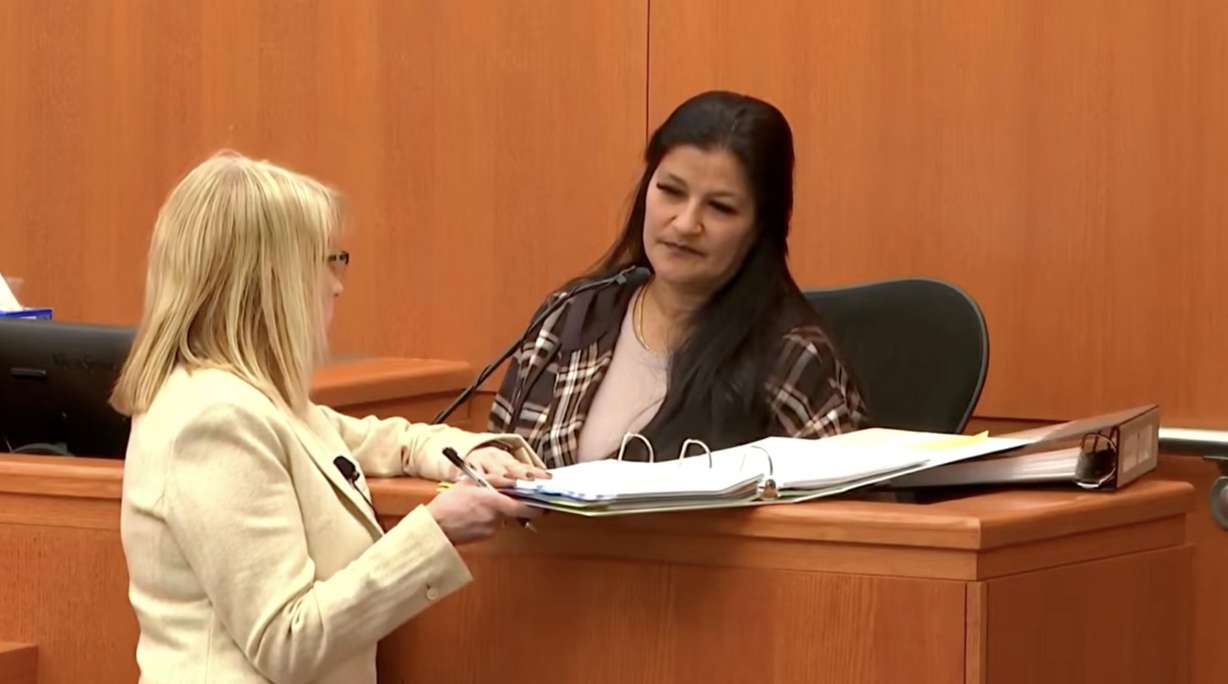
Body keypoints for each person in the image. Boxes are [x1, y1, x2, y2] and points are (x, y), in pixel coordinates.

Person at [113, 152, 545, 683]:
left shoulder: (253, 399)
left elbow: (378, 439)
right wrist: (438, 530)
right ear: (268, 278)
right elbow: (287, 641)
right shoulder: (214, 421)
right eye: (325, 260)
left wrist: (470, 453)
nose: (336, 284)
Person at [490, 91, 866, 468]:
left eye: (720, 207)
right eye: (670, 191)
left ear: (760, 228)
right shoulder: (571, 316)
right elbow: (496, 466)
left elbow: (847, 502)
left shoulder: (790, 356)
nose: (686, 224)